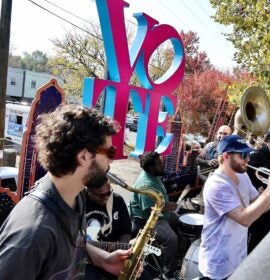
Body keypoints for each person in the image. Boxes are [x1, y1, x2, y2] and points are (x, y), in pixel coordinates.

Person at [0, 105, 131, 279]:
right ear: (84, 156)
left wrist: (104, 260)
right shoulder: (34, 235)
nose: (111, 162)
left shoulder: (76, 197)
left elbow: (76, 240)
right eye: (110, 152)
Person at [198, 134, 270, 280]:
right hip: (217, 264)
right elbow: (244, 218)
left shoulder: (242, 175)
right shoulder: (217, 185)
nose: (248, 159)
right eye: (243, 155)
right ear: (226, 156)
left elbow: (259, 207)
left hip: (237, 259)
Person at [85, 175, 153, 280]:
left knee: (144, 277)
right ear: (88, 191)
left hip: (113, 254)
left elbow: (125, 232)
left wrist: (121, 247)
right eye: (101, 195)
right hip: (86, 257)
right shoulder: (78, 203)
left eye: (109, 193)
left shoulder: (117, 200)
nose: (107, 197)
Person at [129, 151, 179, 280]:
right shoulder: (146, 185)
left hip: (161, 214)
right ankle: (169, 274)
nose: (162, 165)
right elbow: (151, 210)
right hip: (147, 219)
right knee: (171, 239)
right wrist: (170, 206)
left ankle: (172, 255)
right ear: (151, 168)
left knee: (179, 221)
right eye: (159, 164)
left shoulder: (154, 174)